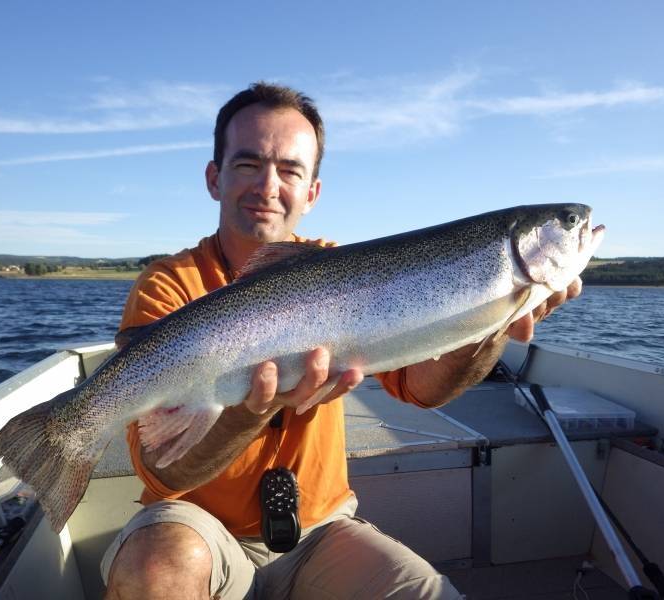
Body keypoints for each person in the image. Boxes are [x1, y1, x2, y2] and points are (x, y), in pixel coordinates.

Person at [101, 82, 581, 600]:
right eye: (247, 164)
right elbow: (163, 472)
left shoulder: (342, 269)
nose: (267, 185)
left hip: (320, 531)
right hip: (197, 528)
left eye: (289, 170)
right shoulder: (170, 285)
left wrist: (492, 326)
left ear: (312, 192)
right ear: (214, 178)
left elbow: (423, 389)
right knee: (159, 567)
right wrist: (252, 410)